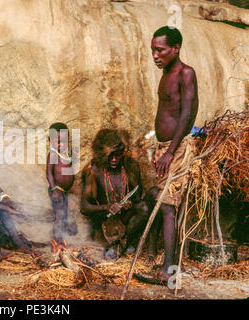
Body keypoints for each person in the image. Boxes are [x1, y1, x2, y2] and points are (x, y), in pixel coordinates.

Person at [137, 26, 198, 285]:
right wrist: (158, 149)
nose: (155, 55)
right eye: (152, 50)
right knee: (163, 204)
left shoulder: (186, 74)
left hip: (178, 148)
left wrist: (171, 152)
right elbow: (166, 112)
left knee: (167, 207)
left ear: (176, 48)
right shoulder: (165, 73)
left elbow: (188, 114)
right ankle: (166, 265)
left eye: (160, 50)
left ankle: (169, 271)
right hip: (165, 148)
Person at [81, 129, 149, 259]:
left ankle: (119, 247)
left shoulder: (131, 166)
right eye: (110, 156)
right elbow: (84, 207)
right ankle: (117, 246)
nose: (114, 159)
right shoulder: (93, 170)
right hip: (105, 220)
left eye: (118, 155)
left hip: (125, 217)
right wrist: (106, 207)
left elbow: (138, 198)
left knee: (144, 207)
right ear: (102, 154)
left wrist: (126, 204)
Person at [46, 122, 79, 246]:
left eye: (64, 141)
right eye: (57, 141)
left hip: (63, 192)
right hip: (57, 190)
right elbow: (49, 173)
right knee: (59, 216)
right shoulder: (53, 155)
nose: (60, 144)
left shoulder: (66, 155)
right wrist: (54, 189)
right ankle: (57, 243)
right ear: (50, 141)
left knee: (63, 214)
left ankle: (61, 240)